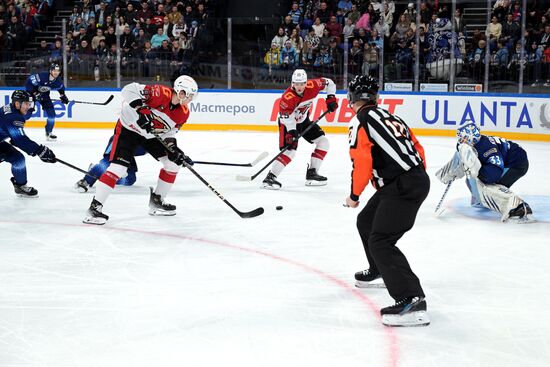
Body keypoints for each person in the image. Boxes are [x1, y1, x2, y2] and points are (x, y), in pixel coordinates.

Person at [345, 75, 430, 327]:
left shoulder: (360, 121)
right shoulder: (392, 117)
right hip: (411, 179)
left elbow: (362, 162)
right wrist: (415, 179)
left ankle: (412, 299)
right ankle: (379, 269)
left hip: (401, 186)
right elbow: (418, 148)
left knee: (381, 240)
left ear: (352, 99)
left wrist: (354, 195)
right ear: (375, 98)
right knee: (366, 222)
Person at [83, 75, 198, 225]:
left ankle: (157, 201)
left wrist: (175, 151)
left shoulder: (183, 113)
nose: (191, 99)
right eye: (190, 95)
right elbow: (128, 90)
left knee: (173, 164)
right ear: (181, 92)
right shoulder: (159, 93)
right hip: (128, 129)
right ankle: (94, 209)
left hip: (151, 136)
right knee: (118, 169)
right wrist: (141, 109)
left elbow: (169, 133)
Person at [436, 123, 533, 223]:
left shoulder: (487, 148)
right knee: (473, 179)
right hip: (506, 161)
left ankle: (518, 208)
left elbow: (494, 173)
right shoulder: (469, 145)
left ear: (471, 138)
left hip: (517, 164)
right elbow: (460, 155)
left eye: (463, 138)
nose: (461, 140)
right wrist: (452, 171)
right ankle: (481, 200)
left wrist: (479, 174)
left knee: (488, 186)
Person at [262, 69, 337, 189]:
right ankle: (270, 177)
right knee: (290, 151)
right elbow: (286, 117)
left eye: (302, 83)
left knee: (323, 142)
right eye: (297, 84)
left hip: (304, 121)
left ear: (306, 82)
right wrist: (291, 131)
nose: (300, 87)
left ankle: (312, 173)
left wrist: (331, 98)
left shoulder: (313, 85)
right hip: (287, 124)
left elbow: (330, 83)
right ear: (292, 83)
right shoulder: (287, 97)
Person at [0, 90, 57, 197]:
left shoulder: (13, 108)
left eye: (29, 104)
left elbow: (15, 135)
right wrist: (40, 151)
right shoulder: (13, 117)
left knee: (18, 159)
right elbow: (20, 139)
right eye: (26, 104)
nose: (29, 107)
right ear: (17, 104)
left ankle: (21, 186)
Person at [74, 135, 146, 193]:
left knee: (129, 180)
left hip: (127, 154)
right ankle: (86, 180)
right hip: (116, 148)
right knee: (104, 166)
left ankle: (100, 173)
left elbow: (142, 150)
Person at [25, 63, 70, 141]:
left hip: (44, 96)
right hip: (31, 95)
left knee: (52, 115)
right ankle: (13, 128)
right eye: (54, 70)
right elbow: (29, 81)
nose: (56, 72)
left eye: (58, 71)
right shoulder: (42, 76)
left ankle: (49, 132)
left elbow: (61, 88)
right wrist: (35, 93)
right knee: (27, 115)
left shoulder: (58, 81)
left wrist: (63, 95)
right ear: (50, 71)